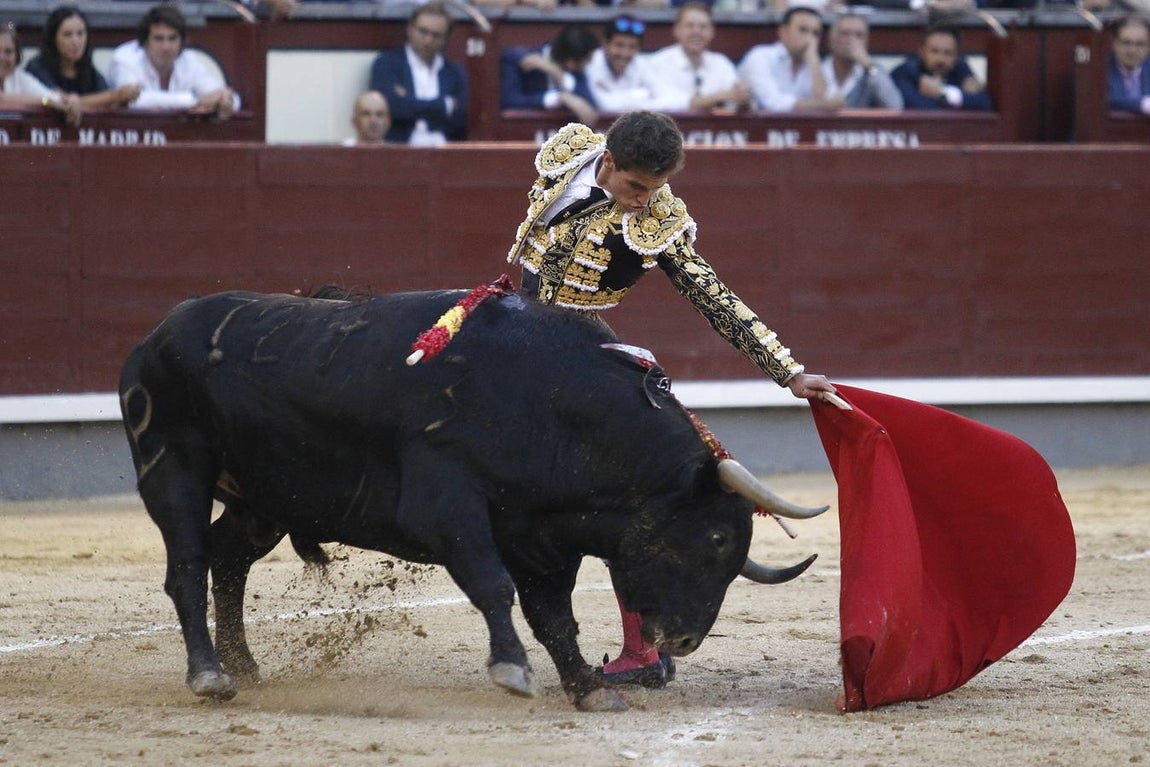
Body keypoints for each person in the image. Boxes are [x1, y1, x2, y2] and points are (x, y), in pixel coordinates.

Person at [506, 111, 836, 686]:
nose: (644, 202)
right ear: (607, 161)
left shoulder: (661, 222)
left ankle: (644, 652)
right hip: (514, 332)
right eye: (636, 187)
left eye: (655, 190)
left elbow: (715, 298)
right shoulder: (570, 151)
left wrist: (789, 372)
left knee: (624, 498)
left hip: (583, 356)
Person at [108, 4, 241, 118]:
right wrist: (195, 101)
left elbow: (229, 98)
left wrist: (225, 100)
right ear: (145, 42)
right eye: (159, 39)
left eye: (172, 39)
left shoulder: (189, 60)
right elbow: (133, 101)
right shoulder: (125, 57)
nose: (166, 47)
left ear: (182, 41)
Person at [369, 1, 469, 145]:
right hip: (401, 150)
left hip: (445, 152)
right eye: (423, 31)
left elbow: (460, 119)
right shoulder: (387, 64)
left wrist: (410, 102)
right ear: (410, 29)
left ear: (446, 38)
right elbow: (394, 108)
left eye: (436, 35)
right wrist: (443, 105)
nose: (428, 41)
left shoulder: (455, 73)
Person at [24, 5, 140, 111]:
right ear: (53, 39)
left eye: (80, 34)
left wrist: (122, 98)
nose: (76, 42)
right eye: (68, 34)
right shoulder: (38, 67)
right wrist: (114, 96)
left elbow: (106, 101)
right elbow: (61, 101)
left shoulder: (89, 71)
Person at [646, 2, 754, 113]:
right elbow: (665, 105)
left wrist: (743, 98)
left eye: (703, 27)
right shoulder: (658, 63)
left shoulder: (721, 63)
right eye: (690, 26)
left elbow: (739, 108)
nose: (696, 32)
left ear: (712, 32)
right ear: (676, 30)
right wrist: (716, 98)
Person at [736, 6, 842, 112]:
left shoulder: (816, 64)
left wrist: (814, 62)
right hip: (758, 127)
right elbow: (773, 104)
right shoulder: (759, 57)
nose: (810, 39)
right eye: (803, 30)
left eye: (815, 34)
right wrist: (824, 105)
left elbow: (835, 101)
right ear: (783, 32)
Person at [499, 23, 599, 125]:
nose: (587, 65)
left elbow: (589, 106)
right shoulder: (520, 59)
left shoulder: (575, 72)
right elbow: (510, 101)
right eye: (587, 60)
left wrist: (560, 76)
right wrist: (557, 98)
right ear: (571, 62)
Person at [584, 15, 679, 113]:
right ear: (605, 44)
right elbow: (606, 106)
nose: (625, 53)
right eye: (619, 45)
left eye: (632, 47)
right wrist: (641, 95)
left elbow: (669, 97)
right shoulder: (590, 63)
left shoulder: (639, 63)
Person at [890, 26, 993, 111]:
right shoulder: (905, 72)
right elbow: (924, 110)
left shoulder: (960, 69)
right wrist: (961, 99)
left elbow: (986, 104)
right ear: (922, 52)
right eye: (934, 51)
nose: (941, 59)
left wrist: (944, 93)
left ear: (956, 56)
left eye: (948, 53)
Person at [0, 21, 82, 125]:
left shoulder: (19, 78)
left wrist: (70, 100)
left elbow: (51, 97)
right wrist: (47, 102)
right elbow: (2, 98)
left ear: (16, 56)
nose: (2, 57)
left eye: (8, 52)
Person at [821, 12, 903, 109]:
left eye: (859, 35)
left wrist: (869, 65)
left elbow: (895, 106)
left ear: (866, 42)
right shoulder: (817, 69)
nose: (851, 40)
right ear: (831, 39)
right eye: (845, 34)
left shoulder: (872, 71)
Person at [1107, 14, 1150, 115]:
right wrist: (1142, 104)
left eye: (1140, 44)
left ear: (1149, 47)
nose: (1132, 50)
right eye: (1126, 43)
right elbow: (1104, 99)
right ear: (1114, 43)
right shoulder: (1100, 67)